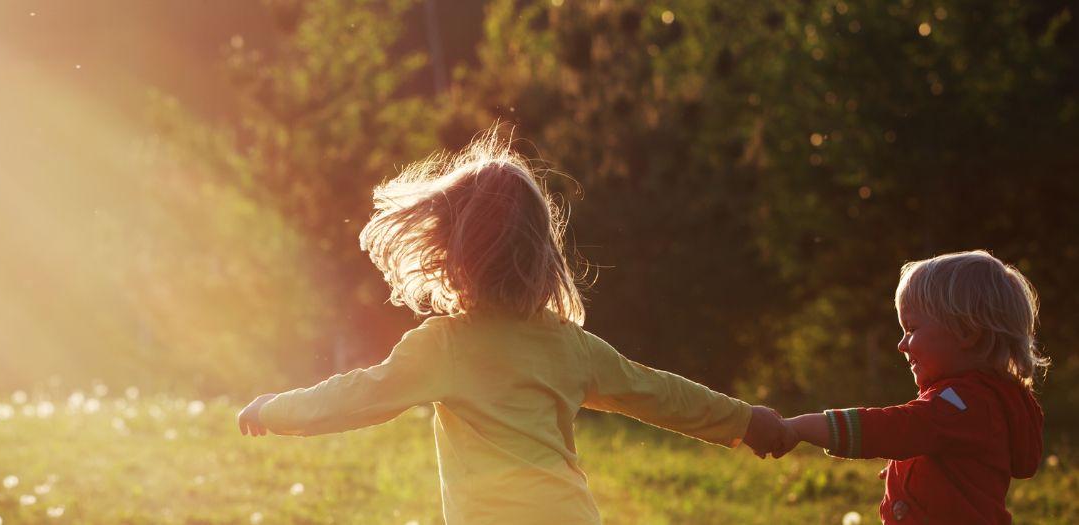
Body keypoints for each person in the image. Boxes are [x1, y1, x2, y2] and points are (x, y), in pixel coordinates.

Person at [234, 129, 790, 524]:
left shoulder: (444, 347)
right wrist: (745, 420)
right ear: (542, 251)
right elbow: (658, 392)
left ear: (451, 254)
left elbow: (359, 397)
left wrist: (272, 410)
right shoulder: (569, 346)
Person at [780, 250, 1047, 524]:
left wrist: (799, 428)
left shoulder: (963, 405)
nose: (901, 344)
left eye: (911, 329)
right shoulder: (978, 403)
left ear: (967, 333)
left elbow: (890, 429)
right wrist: (912, 469)